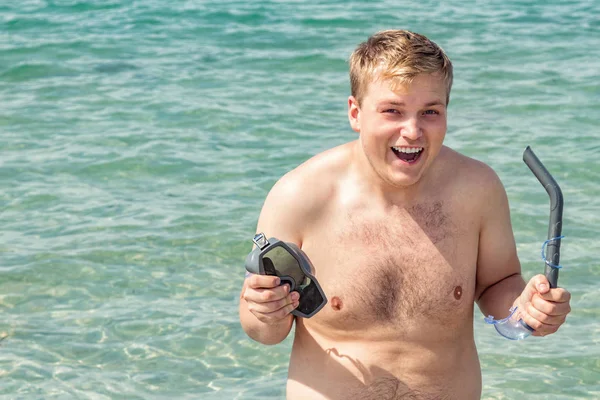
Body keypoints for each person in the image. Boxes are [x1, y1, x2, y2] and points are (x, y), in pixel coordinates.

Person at [238, 29, 572, 399]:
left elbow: (498, 285)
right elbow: (264, 332)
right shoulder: (300, 195)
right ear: (355, 112)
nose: (412, 131)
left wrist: (527, 310)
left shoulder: (477, 189)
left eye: (430, 112)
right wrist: (265, 312)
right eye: (392, 111)